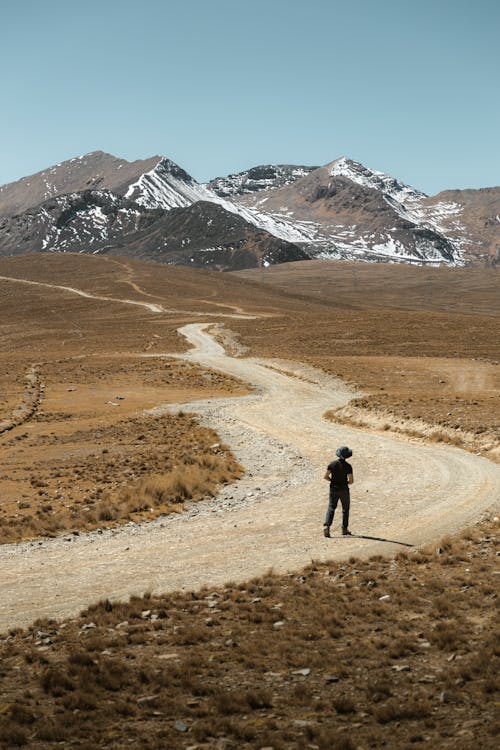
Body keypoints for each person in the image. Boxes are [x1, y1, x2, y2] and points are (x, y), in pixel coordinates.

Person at [323, 446, 353, 538]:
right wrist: (346, 483)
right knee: (345, 509)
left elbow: (326, 476)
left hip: (333, 488)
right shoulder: (348, 466)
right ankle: (344, 529)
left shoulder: (332, 464)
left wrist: (332, 480)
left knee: (331, 507)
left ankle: (327, 525)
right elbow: (351, 481)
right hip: (344, 489)